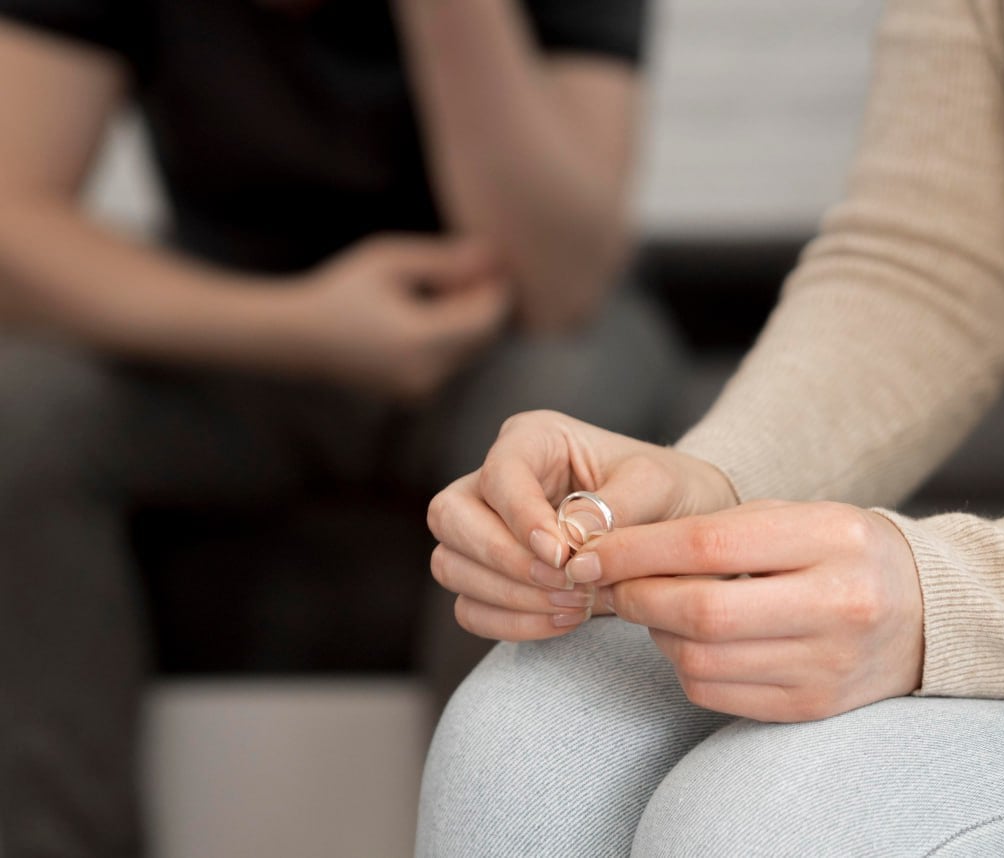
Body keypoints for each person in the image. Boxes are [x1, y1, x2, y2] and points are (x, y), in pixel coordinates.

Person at [419, 0, 1004, 854]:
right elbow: (927, 263)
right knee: (522, 731)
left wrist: (951, 603)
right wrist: (713, 481)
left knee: (770, 814)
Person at [0, 0, 672, 855]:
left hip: (505, 348)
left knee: (568, 411)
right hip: (235, 342)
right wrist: (296, 326)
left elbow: (560, 285)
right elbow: (13, 225)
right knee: (18, 410)